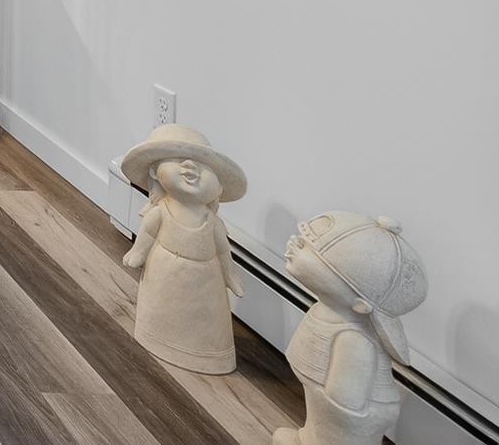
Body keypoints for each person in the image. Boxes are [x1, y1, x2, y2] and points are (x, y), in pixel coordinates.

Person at [274, 212, 426, 445]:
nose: (295, 244)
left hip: (345, 429)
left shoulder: (354, 340)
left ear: (360, 305)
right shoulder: (329, 314)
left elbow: (344, 403)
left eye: (311, 251)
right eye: (304, 242)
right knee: (318, 421)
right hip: (325, 410)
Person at [120, 123, 247, 373]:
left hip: (206, 283)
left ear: (219, 188)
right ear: (155, 171)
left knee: (206, 319)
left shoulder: (213, 223)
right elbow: (147, 233)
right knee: (162, 309)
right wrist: (138, 252)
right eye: (178, 159)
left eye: (204, 165)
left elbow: (223, 251)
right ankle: (154, 335)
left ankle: (207, 354)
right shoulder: (161, 212)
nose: (190, 166)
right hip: (164, 274)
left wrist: (230, 274)